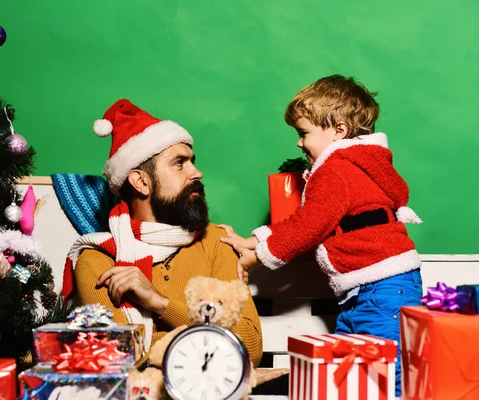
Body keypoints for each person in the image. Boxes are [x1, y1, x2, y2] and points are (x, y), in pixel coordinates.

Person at [220, 75, 423, 396]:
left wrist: (257, 255)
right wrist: (255, 240)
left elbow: (309, 225)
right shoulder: (356, 164)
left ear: (338, 130)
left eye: (304, 133)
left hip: (381, 289)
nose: (299, 143)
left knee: (386, 372)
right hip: (369, 290)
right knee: (351, 370)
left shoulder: (336, 170)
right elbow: (312, 221)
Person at [66, 98, 263, 366]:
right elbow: (121, 358)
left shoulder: (216, 241)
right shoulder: (98, 260)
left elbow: (249, 346)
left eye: (192, 161)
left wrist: (159, 303)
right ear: (141, 182)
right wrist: (210, 336)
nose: (197, 172)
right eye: (180, 163)